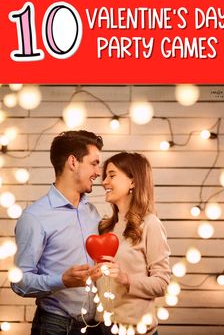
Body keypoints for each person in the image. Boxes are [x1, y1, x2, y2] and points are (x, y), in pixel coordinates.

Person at [11, 130, 104, 335]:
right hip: (55, 326)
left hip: (95, 327)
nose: (98, 172)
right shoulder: (35, 217)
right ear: (73, 162)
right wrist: (62, 281)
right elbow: (19, 282)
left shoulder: (92, 212)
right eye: (94, 163)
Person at [96, 152, 171, 335]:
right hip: (101, 327)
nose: (104, 181)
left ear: (133, 182)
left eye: (111, 175)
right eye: (105, 176)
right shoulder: (106, 227)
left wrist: (125, 279)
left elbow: (162, 283)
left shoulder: (150, 224)